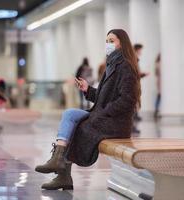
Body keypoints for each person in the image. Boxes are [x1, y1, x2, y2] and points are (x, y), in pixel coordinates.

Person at [35, 29, 141, 190]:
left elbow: (127, 100)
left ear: (122, 43)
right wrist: (87, 89)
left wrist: (104, 112)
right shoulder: (112, 65)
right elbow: (103, 97)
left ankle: (62, 172)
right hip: (105, 115)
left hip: (115, 122)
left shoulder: (125, 66)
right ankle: (58, 162)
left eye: (112, 41)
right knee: (70, 114)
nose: (108, 44)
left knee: (79, 127)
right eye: (106, 41)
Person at [154, 54, 161, 119]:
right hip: (160, 82)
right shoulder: (159, 64)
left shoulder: (157, 63)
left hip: (159, 81)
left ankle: (156, 109)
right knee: (159, 96)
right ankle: (156, 109)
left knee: (159, 96)